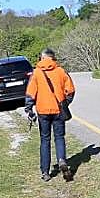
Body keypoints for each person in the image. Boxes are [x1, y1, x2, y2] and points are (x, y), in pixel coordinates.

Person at [24, 48, 76, 181]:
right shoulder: (61, 71)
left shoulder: (36, 73)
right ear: (53, 58)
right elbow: (70, 91)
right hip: (58, 110)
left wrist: (29, 109)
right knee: (59, 137)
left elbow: (30, 93)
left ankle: (45, 172)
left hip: (43, 111)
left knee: (45, 140)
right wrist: (65, 103)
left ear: (42, 58)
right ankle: (61, 160)